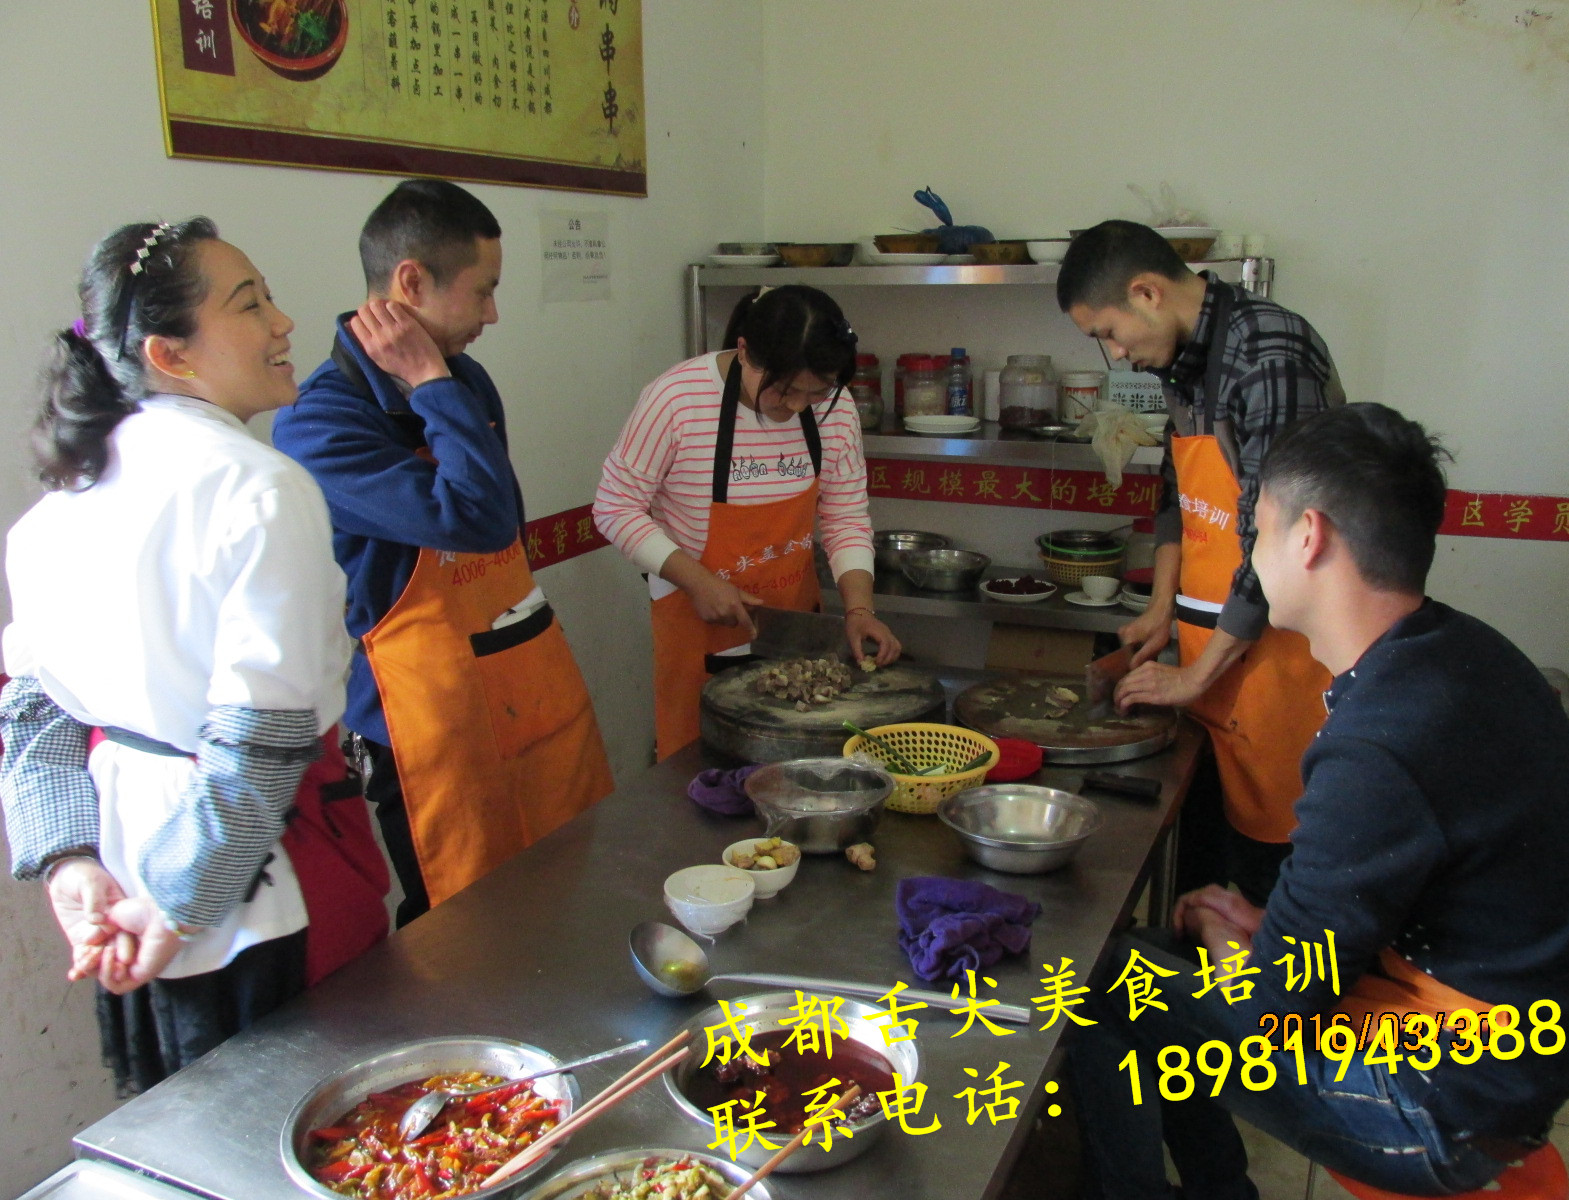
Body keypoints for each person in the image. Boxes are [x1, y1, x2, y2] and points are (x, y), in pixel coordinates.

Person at [1067, 403, 1569, 1200]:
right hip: (1513, 1039)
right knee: (1154, 965)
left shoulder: (1380, 740)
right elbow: (1370, 911)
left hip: (1445, 1100)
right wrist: (1268, 935)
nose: (1248, 556)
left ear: (1308, 537)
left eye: (1258, 531)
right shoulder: (1464, 654)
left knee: (1098, 989)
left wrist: (1235, 950)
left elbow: (1268, 1014)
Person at [0, 219, 387, 1093]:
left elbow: (32, 716)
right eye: (251, 305)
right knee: (303, 1130)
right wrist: (178, 907)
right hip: (253, 894)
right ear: (169, 353)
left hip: (124, 877)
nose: (285, 323)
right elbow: (260, 744)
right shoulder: (256, 484)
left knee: (185, 1127)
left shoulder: (62, 501)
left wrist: (71, 865)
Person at [275, 179, 612, 928]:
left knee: (562, 895)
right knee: (460, 931)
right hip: (424, 722)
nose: (493, 314)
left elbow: (505, 522)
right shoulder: (320, 424)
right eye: (483, 291)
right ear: (411, 282)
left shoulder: (466, 380)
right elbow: (481, 519)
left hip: (522, 677)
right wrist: (430, 382)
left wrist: (441, 384)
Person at [1058, 220, 1345, 904]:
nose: (1115, 353)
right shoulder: (1183, 364)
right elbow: (1178, 494)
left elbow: (1280, 549)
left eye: (1108, 332)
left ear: (1147, 293)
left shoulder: (1270, 353)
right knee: (1205, 886)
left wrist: (1193, 679)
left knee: (1270, 892)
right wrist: (1161, 610)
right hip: (1218, 672)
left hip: (1282, 673)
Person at [594, 285, 902, 760]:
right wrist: (698, 581)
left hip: (794, 626)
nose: (800, 405)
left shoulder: (834, 407)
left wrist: (860, 610)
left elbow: (844, 515)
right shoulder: (676, 400)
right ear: (744, 352)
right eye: (784, 389)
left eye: (815, 390)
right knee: (702, 780)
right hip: (697, 627)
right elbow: (615, 506)